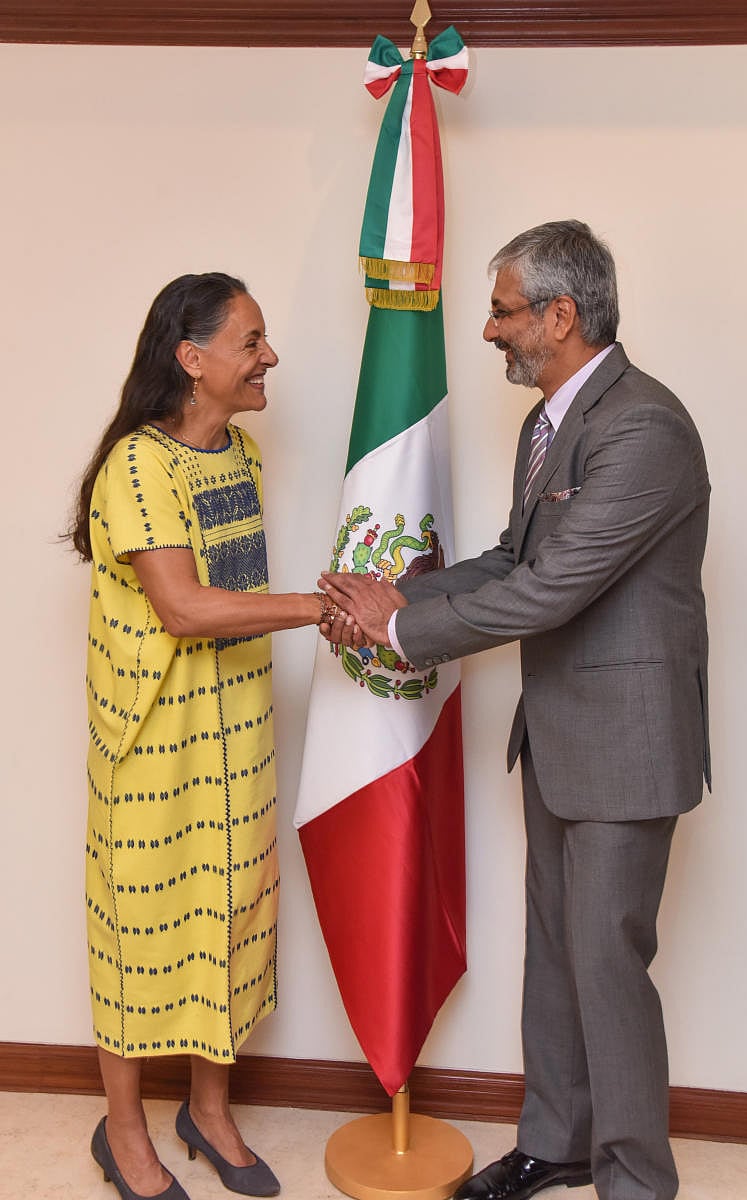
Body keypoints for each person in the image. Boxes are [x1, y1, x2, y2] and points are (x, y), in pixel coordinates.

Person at [319, 220, 711, 1200]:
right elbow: (513, 559)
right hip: (557, 738)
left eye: (502, 311)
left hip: (624, 751)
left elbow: (553, 591)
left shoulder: (644, 428)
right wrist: (408, 592)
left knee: (607, 969)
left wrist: (398, 630)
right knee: (556, 956)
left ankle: (635, 1182)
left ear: (560, 314)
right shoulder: (550, 423)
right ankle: (556, 1143)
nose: (489, 329)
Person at [68, 273, 337, 1200]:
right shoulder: (137, 466)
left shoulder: (241, 454)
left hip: (240, 739)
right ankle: (123, 1132)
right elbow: (184, 609)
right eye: (250, 342)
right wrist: (323, 606)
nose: (269, 357)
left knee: (230, 919)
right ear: (191, 359)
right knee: (141, 935)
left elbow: (236, 599)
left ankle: (208, 1111)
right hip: (156, 746)